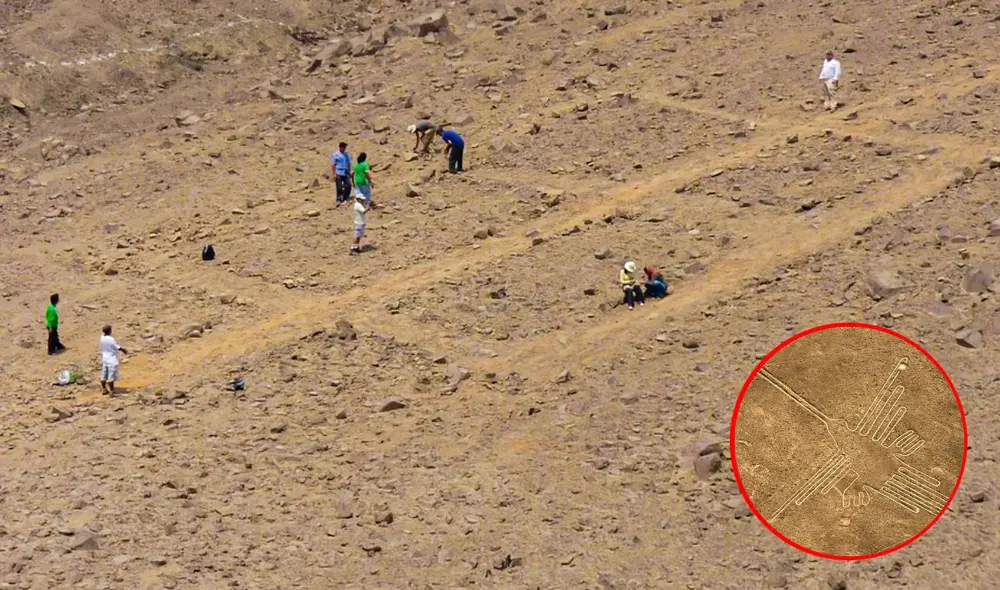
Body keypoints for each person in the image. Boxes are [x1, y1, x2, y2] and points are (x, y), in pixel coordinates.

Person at [99, 325, 128, 395]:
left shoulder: (102, 337)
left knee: (104, 375)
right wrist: (123, 350)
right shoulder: (110, 339)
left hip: (105, 358)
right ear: (109, 331)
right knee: (111, 377)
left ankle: (104, 389)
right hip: (111, 359)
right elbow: (117, 347)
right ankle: (112, 391)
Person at [330, 142, 352, 206]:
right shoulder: (335, 155)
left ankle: (346, 197)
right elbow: (333, 165)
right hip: (339, 172)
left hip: (346, 172)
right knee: (339, 187)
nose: (345, 149)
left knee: (348, 185)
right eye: (344, 147)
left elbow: (348, 163)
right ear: (341, 147)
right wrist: (334, 173)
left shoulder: (347, 154)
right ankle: (339, 199)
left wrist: (349, 171)